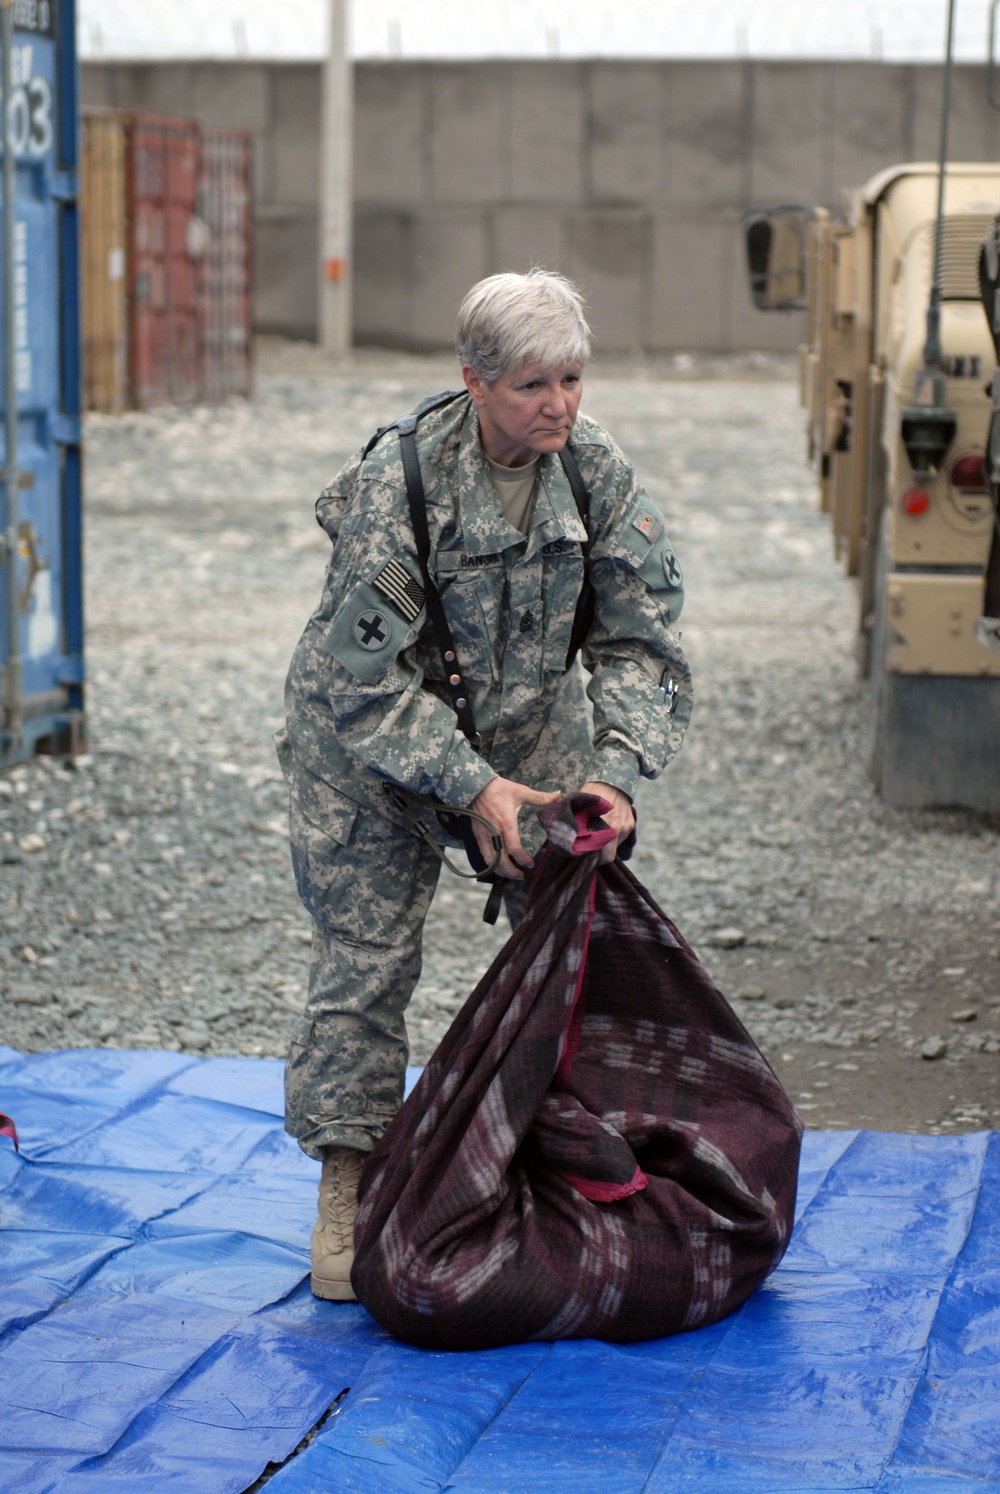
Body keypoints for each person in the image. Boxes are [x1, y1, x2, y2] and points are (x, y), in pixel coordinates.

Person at [277, 268, 692, 1301]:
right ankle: (348, 1182)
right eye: (529, 386)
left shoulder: (592, 473)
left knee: (574, 931)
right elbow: (363, 686)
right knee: (365, 964)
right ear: (472, 380)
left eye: (570, 379)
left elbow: (644, 645)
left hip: (526, 730)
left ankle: (563, 1136)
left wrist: (615, 775)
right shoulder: (400, 488)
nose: (557, 404)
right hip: (368, 750)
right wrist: (473, 788)